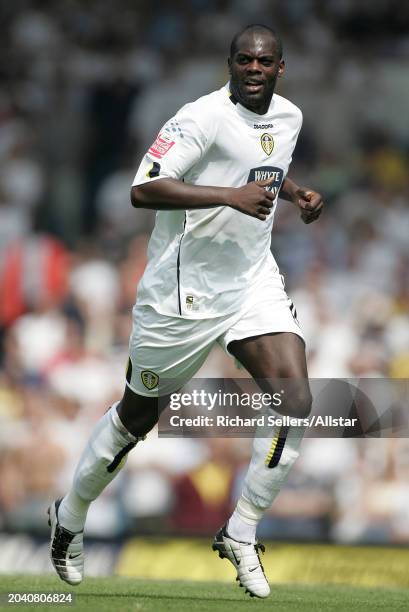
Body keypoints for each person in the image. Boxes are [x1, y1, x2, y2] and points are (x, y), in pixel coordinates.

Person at [48, 24, 324, 599]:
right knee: (136, 418)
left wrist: (295, 193)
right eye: (244, 60)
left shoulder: (290, 118)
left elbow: (257, 162)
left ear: (280, 67)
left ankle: (242, 529)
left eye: (264, 61)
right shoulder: (199, 117)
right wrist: (228, 197)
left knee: (295, 399)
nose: (253, 68)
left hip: (251, 280)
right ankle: (69, 517)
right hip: (182, 295)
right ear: (230, 63)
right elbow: (143, 188)